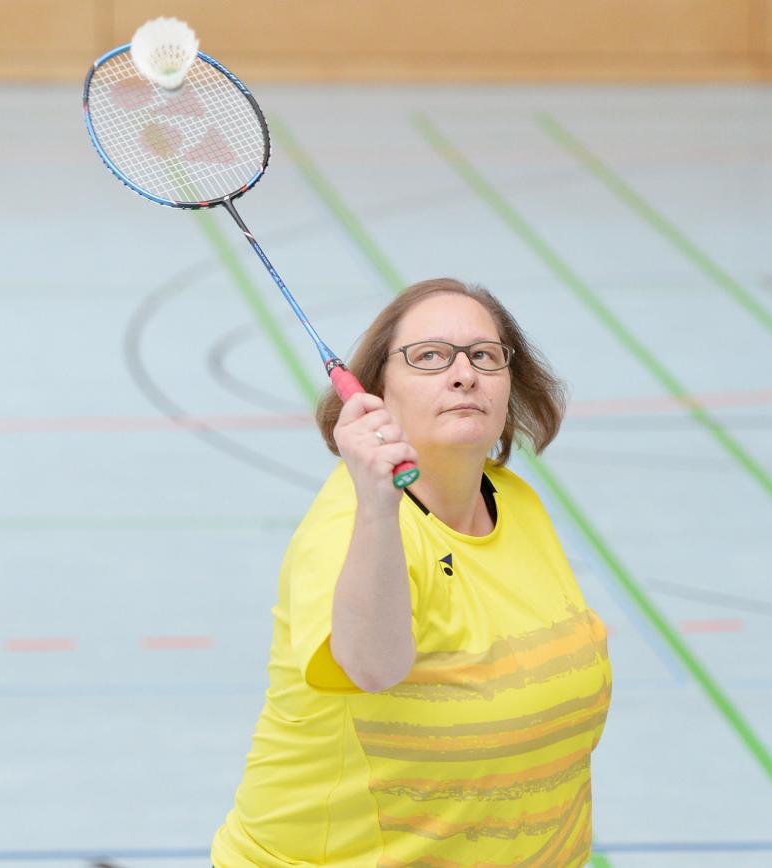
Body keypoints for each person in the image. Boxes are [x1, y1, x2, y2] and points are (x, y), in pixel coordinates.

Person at [211, 278, 612, 866]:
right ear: (376, 394)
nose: (463, 373)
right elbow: (371, 667)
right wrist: (377, 504)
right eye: (428, 357)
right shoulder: (350, 523)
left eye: (485, 355)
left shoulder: (515, 502)